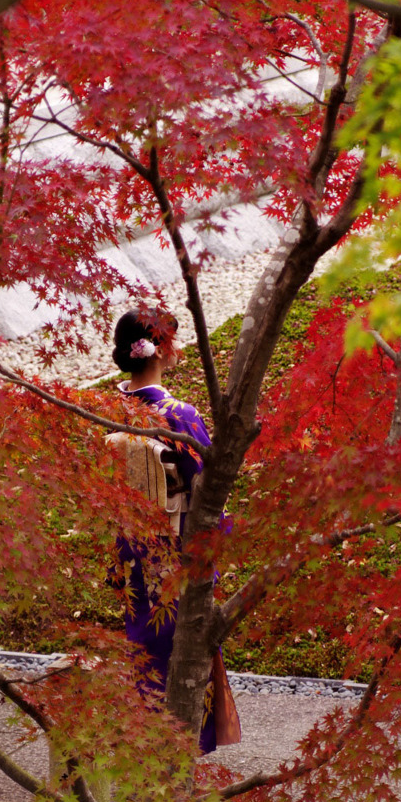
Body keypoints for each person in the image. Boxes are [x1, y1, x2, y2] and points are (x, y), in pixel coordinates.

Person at [108, 308, 239, 753]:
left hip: (130, 546)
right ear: (160, 350)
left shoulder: (110, 408)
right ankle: (179, 745)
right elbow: (207, 487)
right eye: (174, 340)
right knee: (178, 642)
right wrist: (224, 532)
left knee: (141, 637)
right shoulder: (177, 414)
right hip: (174, 548)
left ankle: (139, 739)